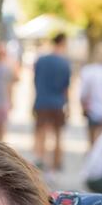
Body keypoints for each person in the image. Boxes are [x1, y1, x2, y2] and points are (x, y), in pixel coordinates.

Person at [31, 34, 72, 172]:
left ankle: (40, 161)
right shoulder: (65, 63)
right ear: (63, 43)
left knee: (40, 132)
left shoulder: (41, 60)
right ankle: (56, 164)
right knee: (58, 135)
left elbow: (35, 82)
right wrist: (69, 105)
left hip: (41, 100)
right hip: (57, 102)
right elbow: (66, 88)